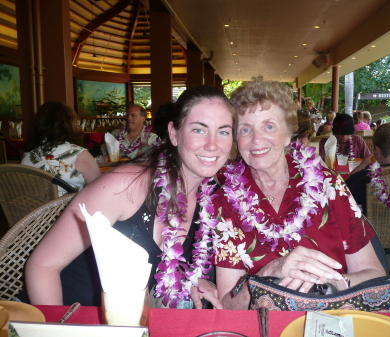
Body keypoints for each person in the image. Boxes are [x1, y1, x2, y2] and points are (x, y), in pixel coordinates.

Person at [24, 86, 234, 308]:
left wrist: (192, 279)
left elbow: (162, 265)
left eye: (223, 131)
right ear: (174, 134)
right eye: (199, 130)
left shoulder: (209, 199)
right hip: (69, 315)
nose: (212, 145)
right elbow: (42, 265)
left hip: (124, 322)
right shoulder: (127, 185)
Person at [212, 77, 385, 310]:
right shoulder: (224, 202)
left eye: (269, 126)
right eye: (245, 129)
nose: (257, 139)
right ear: (236, 139)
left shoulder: (328, 186)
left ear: (288, 134)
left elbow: (375, 275)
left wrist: (326, 284)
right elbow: (227, 304)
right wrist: (267, 274)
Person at [21, 101, 101, 196]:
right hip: (67, 209)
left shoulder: (27, 154)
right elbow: (100, 190)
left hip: (33, 209)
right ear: (69, 124)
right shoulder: (78, 154)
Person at [345, 122, 390, 215]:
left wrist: (363, 164)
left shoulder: (366, 177)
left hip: (371, 229)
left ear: (378, 151)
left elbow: (340, 192)